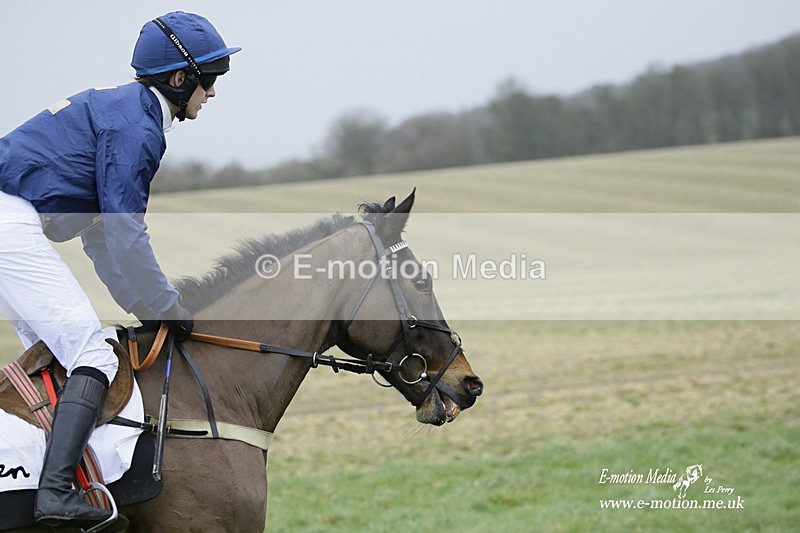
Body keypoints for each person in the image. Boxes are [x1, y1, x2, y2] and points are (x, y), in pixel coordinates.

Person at [0, 11, 239, 528]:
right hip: (8, 223)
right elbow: (127, 232)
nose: (213, 93)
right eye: (211, 79)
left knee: (56, 361)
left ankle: (30, 484)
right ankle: (56, 497)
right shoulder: (138, 127)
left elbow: (102, 239)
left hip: (11, 221)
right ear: (180, 79)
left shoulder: (123, 113)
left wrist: (145, 306)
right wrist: (166, 307)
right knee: (91, 355)